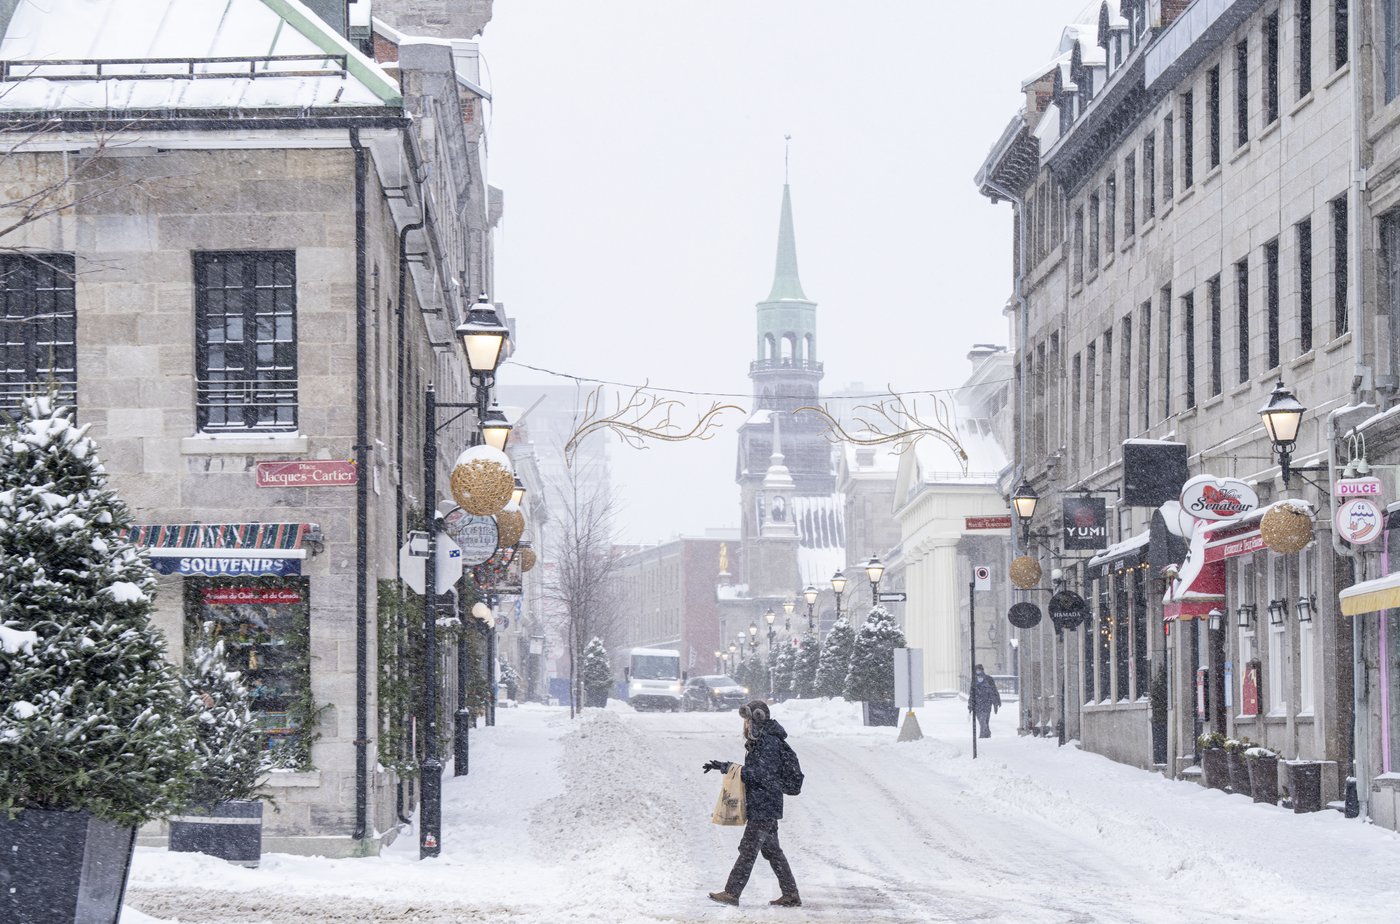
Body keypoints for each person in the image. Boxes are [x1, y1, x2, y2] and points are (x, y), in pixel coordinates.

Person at [702, 700, 800, 908]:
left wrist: (731, 769)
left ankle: (732, 892)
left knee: (748, 849)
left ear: (756, 719)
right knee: (772, 851)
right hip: (764, 803)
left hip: (765, 804)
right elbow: (760, 773)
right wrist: (725, 766)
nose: (745, 725)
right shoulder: (763, 740)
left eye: (747, 720)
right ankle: (791, 894)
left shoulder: (769, 743)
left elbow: (763, 775)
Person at [968, 664, 1002, 738]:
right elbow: (972, 693)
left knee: (985, 720)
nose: (978, 671)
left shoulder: (989, 679)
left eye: (979, 670)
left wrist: (996, 702)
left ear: (982, 670)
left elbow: (994, 691)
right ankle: (986, 733)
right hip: (977, 704)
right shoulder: (974, 680)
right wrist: (970, 705)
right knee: (981, 721)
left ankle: (983, 735)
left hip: (987, 703)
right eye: (977, 670)